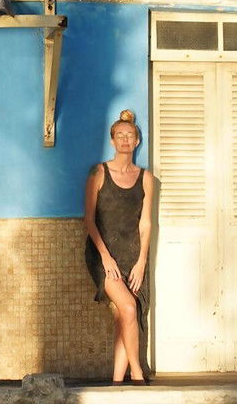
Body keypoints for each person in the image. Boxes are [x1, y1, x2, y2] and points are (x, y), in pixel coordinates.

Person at [83, 109, 156, 385]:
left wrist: (142, 261)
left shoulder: (146, 178)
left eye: (130, 135)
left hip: (132, 255)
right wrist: (105, 258)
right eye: (120, 135)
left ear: (137, 141)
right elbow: (89, 220)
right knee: (128, 308)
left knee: (124, 317)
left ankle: (116, 382)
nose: (125, 139)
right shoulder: (99, 172)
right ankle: (136, 373)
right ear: (112, 140)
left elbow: (145, 224)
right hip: (102, 255)